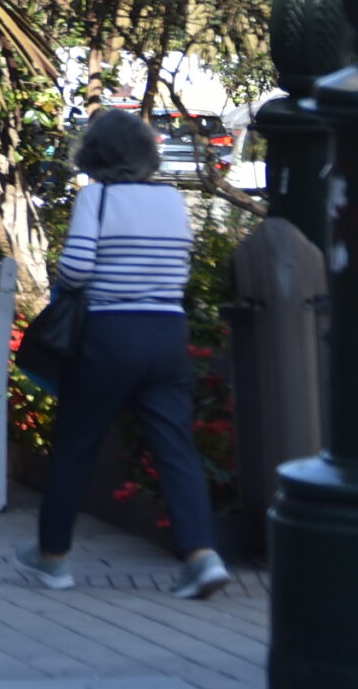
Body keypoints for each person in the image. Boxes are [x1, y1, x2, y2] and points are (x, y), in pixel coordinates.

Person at [18, 108, 232, 601]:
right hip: (167, 334)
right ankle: (201, 556)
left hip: (110, 336)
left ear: (96, 154)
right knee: (174, 446)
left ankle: (52, 558)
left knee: (76, 444)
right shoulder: (172, 201)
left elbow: (75, 272)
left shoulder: (98, 198)